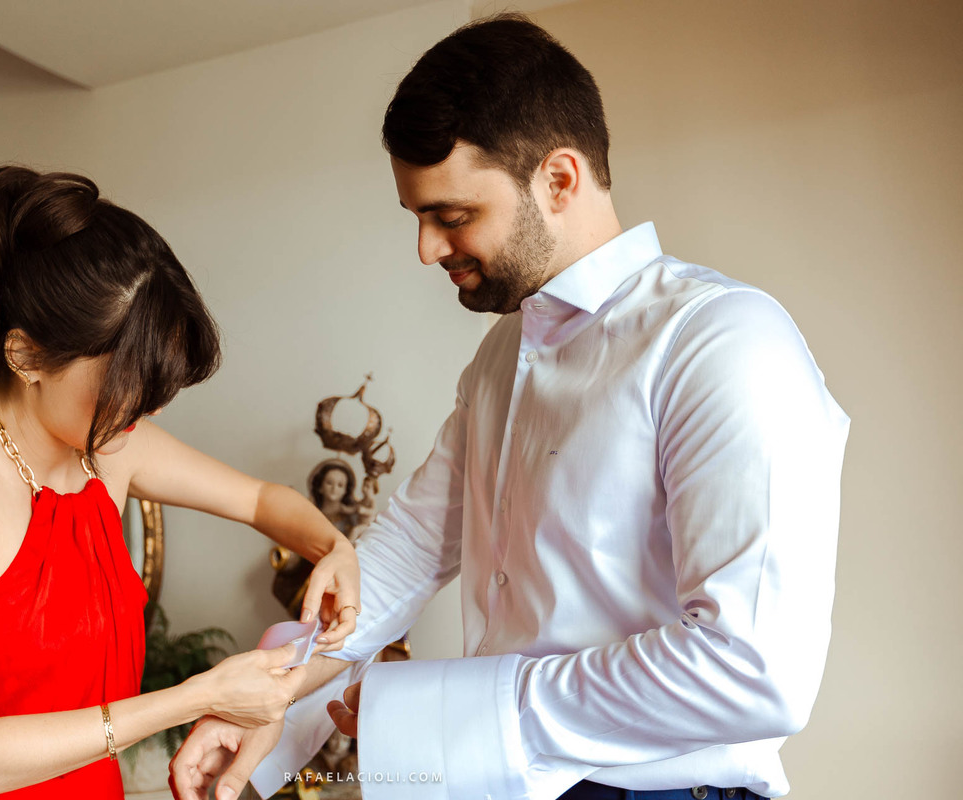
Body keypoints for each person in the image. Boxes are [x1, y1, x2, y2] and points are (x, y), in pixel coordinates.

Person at [169, 13, 848, 800]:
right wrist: (270, 696)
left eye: (452, 216)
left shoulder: (721, 341)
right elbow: (408, 551)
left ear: (558, 180)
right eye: (417, 217)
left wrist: (430, 712)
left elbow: (751, 668)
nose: (426, 249)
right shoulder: (499, 357)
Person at [0, 166, 361, 800]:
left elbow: (263, 500)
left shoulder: (107, 450)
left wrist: (334, 548)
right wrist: (197, 698)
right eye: (131, 380)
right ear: (25, 354)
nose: (152, 407)